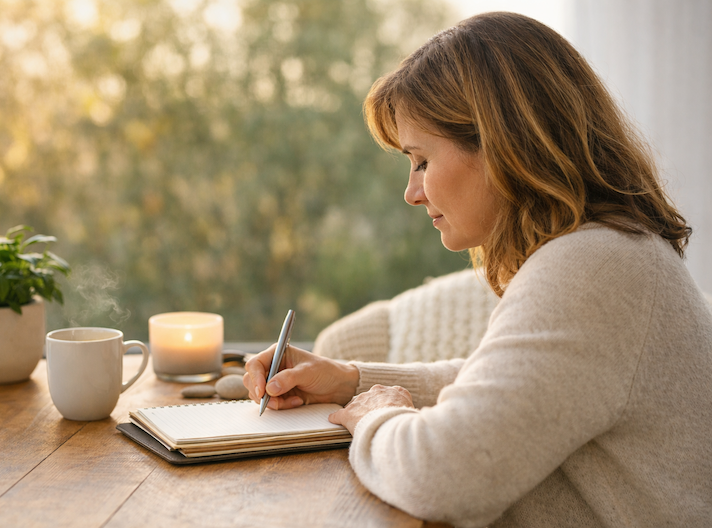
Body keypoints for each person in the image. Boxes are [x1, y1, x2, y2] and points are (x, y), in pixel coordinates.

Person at [243, 12, 712, 527]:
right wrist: (351, 382)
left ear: (502, 145)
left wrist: (375, 417)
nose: (411, 192)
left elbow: (443, 476)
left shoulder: (594, 269)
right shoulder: (610, 253)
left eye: (421, 161)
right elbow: (507, 388)